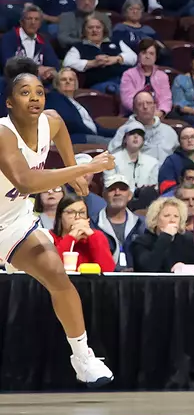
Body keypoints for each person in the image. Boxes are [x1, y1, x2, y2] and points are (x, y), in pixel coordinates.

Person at [0, 56, 116, 383]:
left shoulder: (50, 121)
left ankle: (83, 357)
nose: (34, 97)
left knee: (56, 274)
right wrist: (82, 168)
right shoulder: (3, 134)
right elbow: (24, 181)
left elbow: (62, 127)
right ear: (9, 102)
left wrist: (70, 168)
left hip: (12, 221)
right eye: (24, 92)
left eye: (39, 91)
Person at [52, 196, 115, 273]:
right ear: (60, 216)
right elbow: (51, 267)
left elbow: (108, 270)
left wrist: (92, 236)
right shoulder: (49, 237)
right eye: (70, 212)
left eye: (82, 212)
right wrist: (71, 237)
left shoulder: (97, 236)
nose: (77, 217)